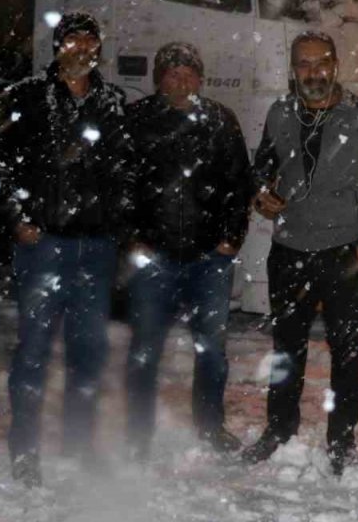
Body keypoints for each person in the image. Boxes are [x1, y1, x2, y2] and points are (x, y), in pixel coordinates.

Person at [240, 30, 358, 476]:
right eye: (304, 64)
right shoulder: (280, 113)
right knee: (286, 348)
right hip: (289, 250)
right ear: (293, 70)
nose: (313, 72)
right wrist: (261, 193)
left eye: (321, 62)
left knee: (346, 353)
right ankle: (279, 430)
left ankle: (341, 440)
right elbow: (262, 169)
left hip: (343, 252)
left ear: (336, 65)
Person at [0, 12, 134, 487]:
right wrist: (16, 219)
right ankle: (25, 450)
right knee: (33, 351)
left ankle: (79, 442)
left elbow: (126, 171)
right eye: (72, 41)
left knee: (88, 352)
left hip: (96, 247)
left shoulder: (113, 101)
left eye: (90, 41)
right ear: (58, 46)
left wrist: (118, 223)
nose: (81, 49)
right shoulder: (29, 97)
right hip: (43, 245)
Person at [124, 42, 252, 461]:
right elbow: (119, 185)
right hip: (154, 256)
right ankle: (138, 431)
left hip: (208, 257)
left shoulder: (220, 121)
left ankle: (211, 426)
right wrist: (132, 237)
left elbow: (239, 185)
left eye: (188, 73)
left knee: (211, 349)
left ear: (201, 78)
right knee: (145, 347)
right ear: (158, 79)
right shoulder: (137, 121)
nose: (181, 81)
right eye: (172, 73)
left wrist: (231, 237)